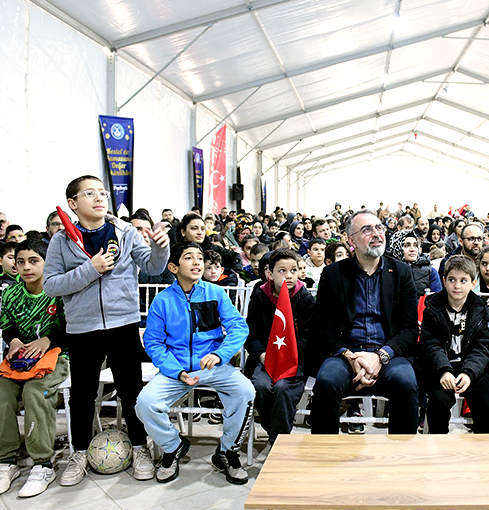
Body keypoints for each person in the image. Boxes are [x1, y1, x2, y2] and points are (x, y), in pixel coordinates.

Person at [43, 175, 169, 486]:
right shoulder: (61, 241)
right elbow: (51, 285)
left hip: (122, 323)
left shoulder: (125, 232)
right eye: (89, 193)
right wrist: (90, 269)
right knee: (82, 395)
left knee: (131, 390)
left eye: (102, 192)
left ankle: (140, 447)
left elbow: (152, 267)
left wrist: (160, 250)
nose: (99, 198)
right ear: (73, 204)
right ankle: (80, 452)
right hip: (82, 327)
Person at [135, 242, 254, 484]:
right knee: (145, 404)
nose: (197, 262)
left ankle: (227, 451)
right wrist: (176, 371)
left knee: (245, 391)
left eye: (199, 257)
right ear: (173, 267)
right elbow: (154, 342)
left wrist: (220, 354)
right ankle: (173, 446)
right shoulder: (162, 301)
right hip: (176, 370)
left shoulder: (216, 293)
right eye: (189, 257)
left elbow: (238, 327)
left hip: (213, 366)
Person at [309, 210, 419, 434]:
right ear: (351, 241)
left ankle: (401, 461)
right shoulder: (333, 274)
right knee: (327, 383)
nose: (376, 234)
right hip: (344, 354)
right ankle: (322, 459)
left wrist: (381, 356)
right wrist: (349, 356)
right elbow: (320, 327)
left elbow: (409, 328)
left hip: (389, 355)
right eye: (366, 230)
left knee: (406, 384)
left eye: (379, 228)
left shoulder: (401, 272)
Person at [0, 240, 68, 497]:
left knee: (34, 392)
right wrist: (14, 341)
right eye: (20, 262)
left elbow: (72, 329)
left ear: (46, 262)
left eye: (33, 261)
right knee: (2, 393)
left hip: (58, 356)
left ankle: (42, 464)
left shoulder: (59, 291)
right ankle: (6, 461)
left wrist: (48, 340)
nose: (26, 267)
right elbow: (8, 328)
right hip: (21, 358)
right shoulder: (11, 294)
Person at [419, 256, 489, 434]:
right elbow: (430, 344)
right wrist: (444, 370)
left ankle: (483, 449)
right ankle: (439, 446)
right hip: (440, 368)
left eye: (463, 280)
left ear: (473, 283)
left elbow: (482, 346)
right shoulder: (433, 308)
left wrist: (469, 373)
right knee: (439, 400)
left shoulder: (480, 309)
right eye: (452, 280)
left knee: (486, 402)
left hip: (470, 368)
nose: (457, 286)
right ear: (444, 281)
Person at [246, 249, 315, 445]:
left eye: (293, 270)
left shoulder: (305, 298)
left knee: (284, 388)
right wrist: (261, 355)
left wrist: (290, 355)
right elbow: (251, 332)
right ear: (270, 274)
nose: (289, 275)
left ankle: (278, 439)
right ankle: (275, 431)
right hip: (266, 358)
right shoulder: (261, 296)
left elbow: (310, 336)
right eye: (282, 271)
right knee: (260, 385)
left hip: (295, 359)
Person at [176, 213, 242, 272]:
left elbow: (235, 257)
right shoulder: (174, 250)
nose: (200, 232)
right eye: (194, 228)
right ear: (183, 232)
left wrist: (233, 273)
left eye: (202, 229)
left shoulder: (209, 247)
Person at [387, 229, 441, 296]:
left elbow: (438, 299)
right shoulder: (387, 271)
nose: (412, 249)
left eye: (415, 245)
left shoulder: (430, 271)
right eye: (407, 245)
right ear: (397, 248)